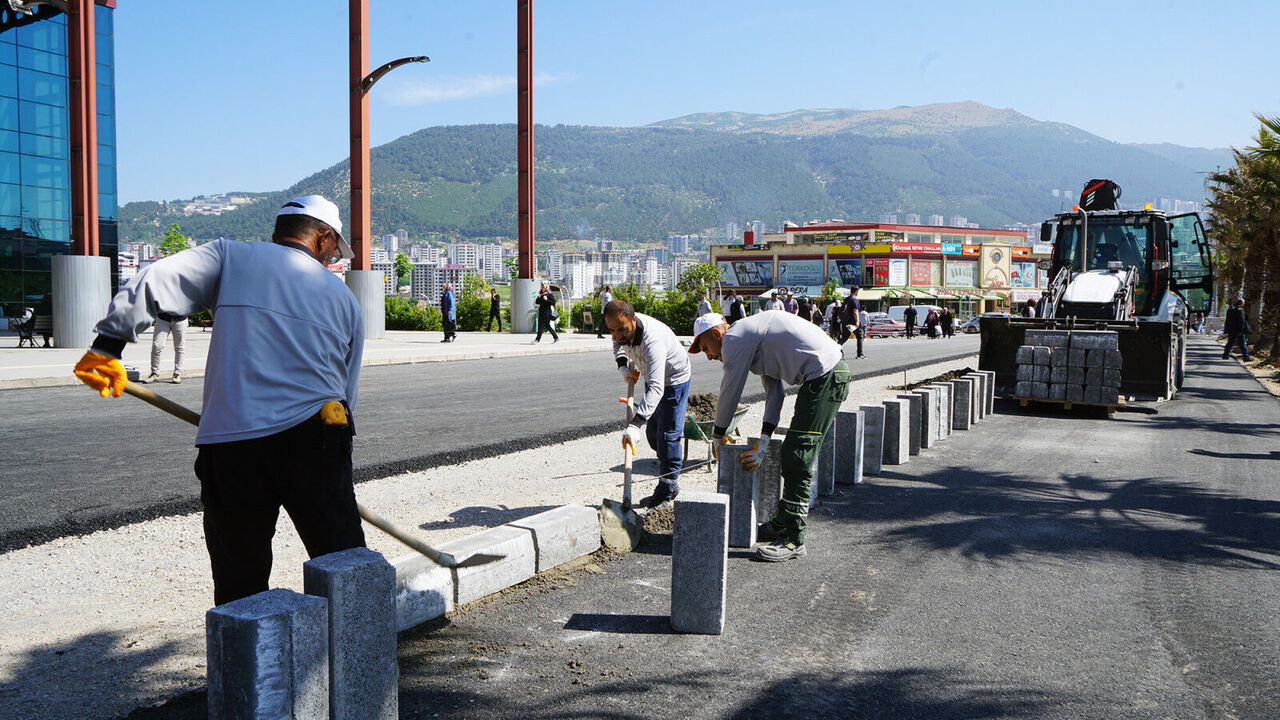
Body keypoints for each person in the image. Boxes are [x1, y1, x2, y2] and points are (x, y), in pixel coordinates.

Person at [72, 194, 366, 606]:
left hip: (234, 443)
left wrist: (107, 347)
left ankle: (249, 664)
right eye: (334, 249)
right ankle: (359, 656)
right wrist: (337, 468)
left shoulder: (231, 258)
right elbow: (345, 391)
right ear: (322, 238)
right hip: (316, 438)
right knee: (346, 564)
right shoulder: (345, 301)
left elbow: (156, 280)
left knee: (239, 579)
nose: (333, 257)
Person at [689, 311, 850, 562]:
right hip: (826, 375)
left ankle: (794, 539)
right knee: (793, 453)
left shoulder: (734, 338)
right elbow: (775, 395)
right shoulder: (756, 338)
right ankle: (783, 522)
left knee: (798, 456)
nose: (709, 356)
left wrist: (717, 437)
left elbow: (731, 390)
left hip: (825, 376)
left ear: (717, 333)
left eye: (706, 348)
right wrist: (763, 442)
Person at [606, 300, 692, 508]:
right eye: (612, 330)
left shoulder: (652, 341)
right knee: (654, 435)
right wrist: (622, 367)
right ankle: (669, 477)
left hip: (674, 380)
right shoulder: (620, 330)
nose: (618, 335)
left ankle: (666, 491)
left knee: (668, 436)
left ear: (633, 321)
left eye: (622, 329)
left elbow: (657, 388)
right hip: (651, 377)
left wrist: (635, 424)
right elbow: (617, 344)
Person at [143, 311, 189, 383]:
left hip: (180, 319)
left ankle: (177, 373)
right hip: (162, 319)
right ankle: (154, 373)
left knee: (179, 347)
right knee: (157, 346)